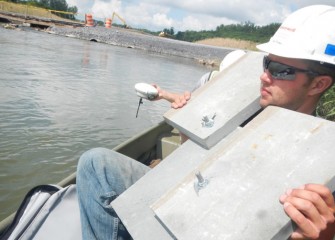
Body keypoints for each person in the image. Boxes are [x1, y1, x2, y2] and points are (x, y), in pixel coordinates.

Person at [76, 5, 335, 240]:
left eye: (280, 70)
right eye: (266, 63)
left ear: (319, 84)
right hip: (187, 197)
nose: (264, 77)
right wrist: (189, 124)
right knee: (97, 163)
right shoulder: (244, 110)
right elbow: (191, 168)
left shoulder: (321, 163)